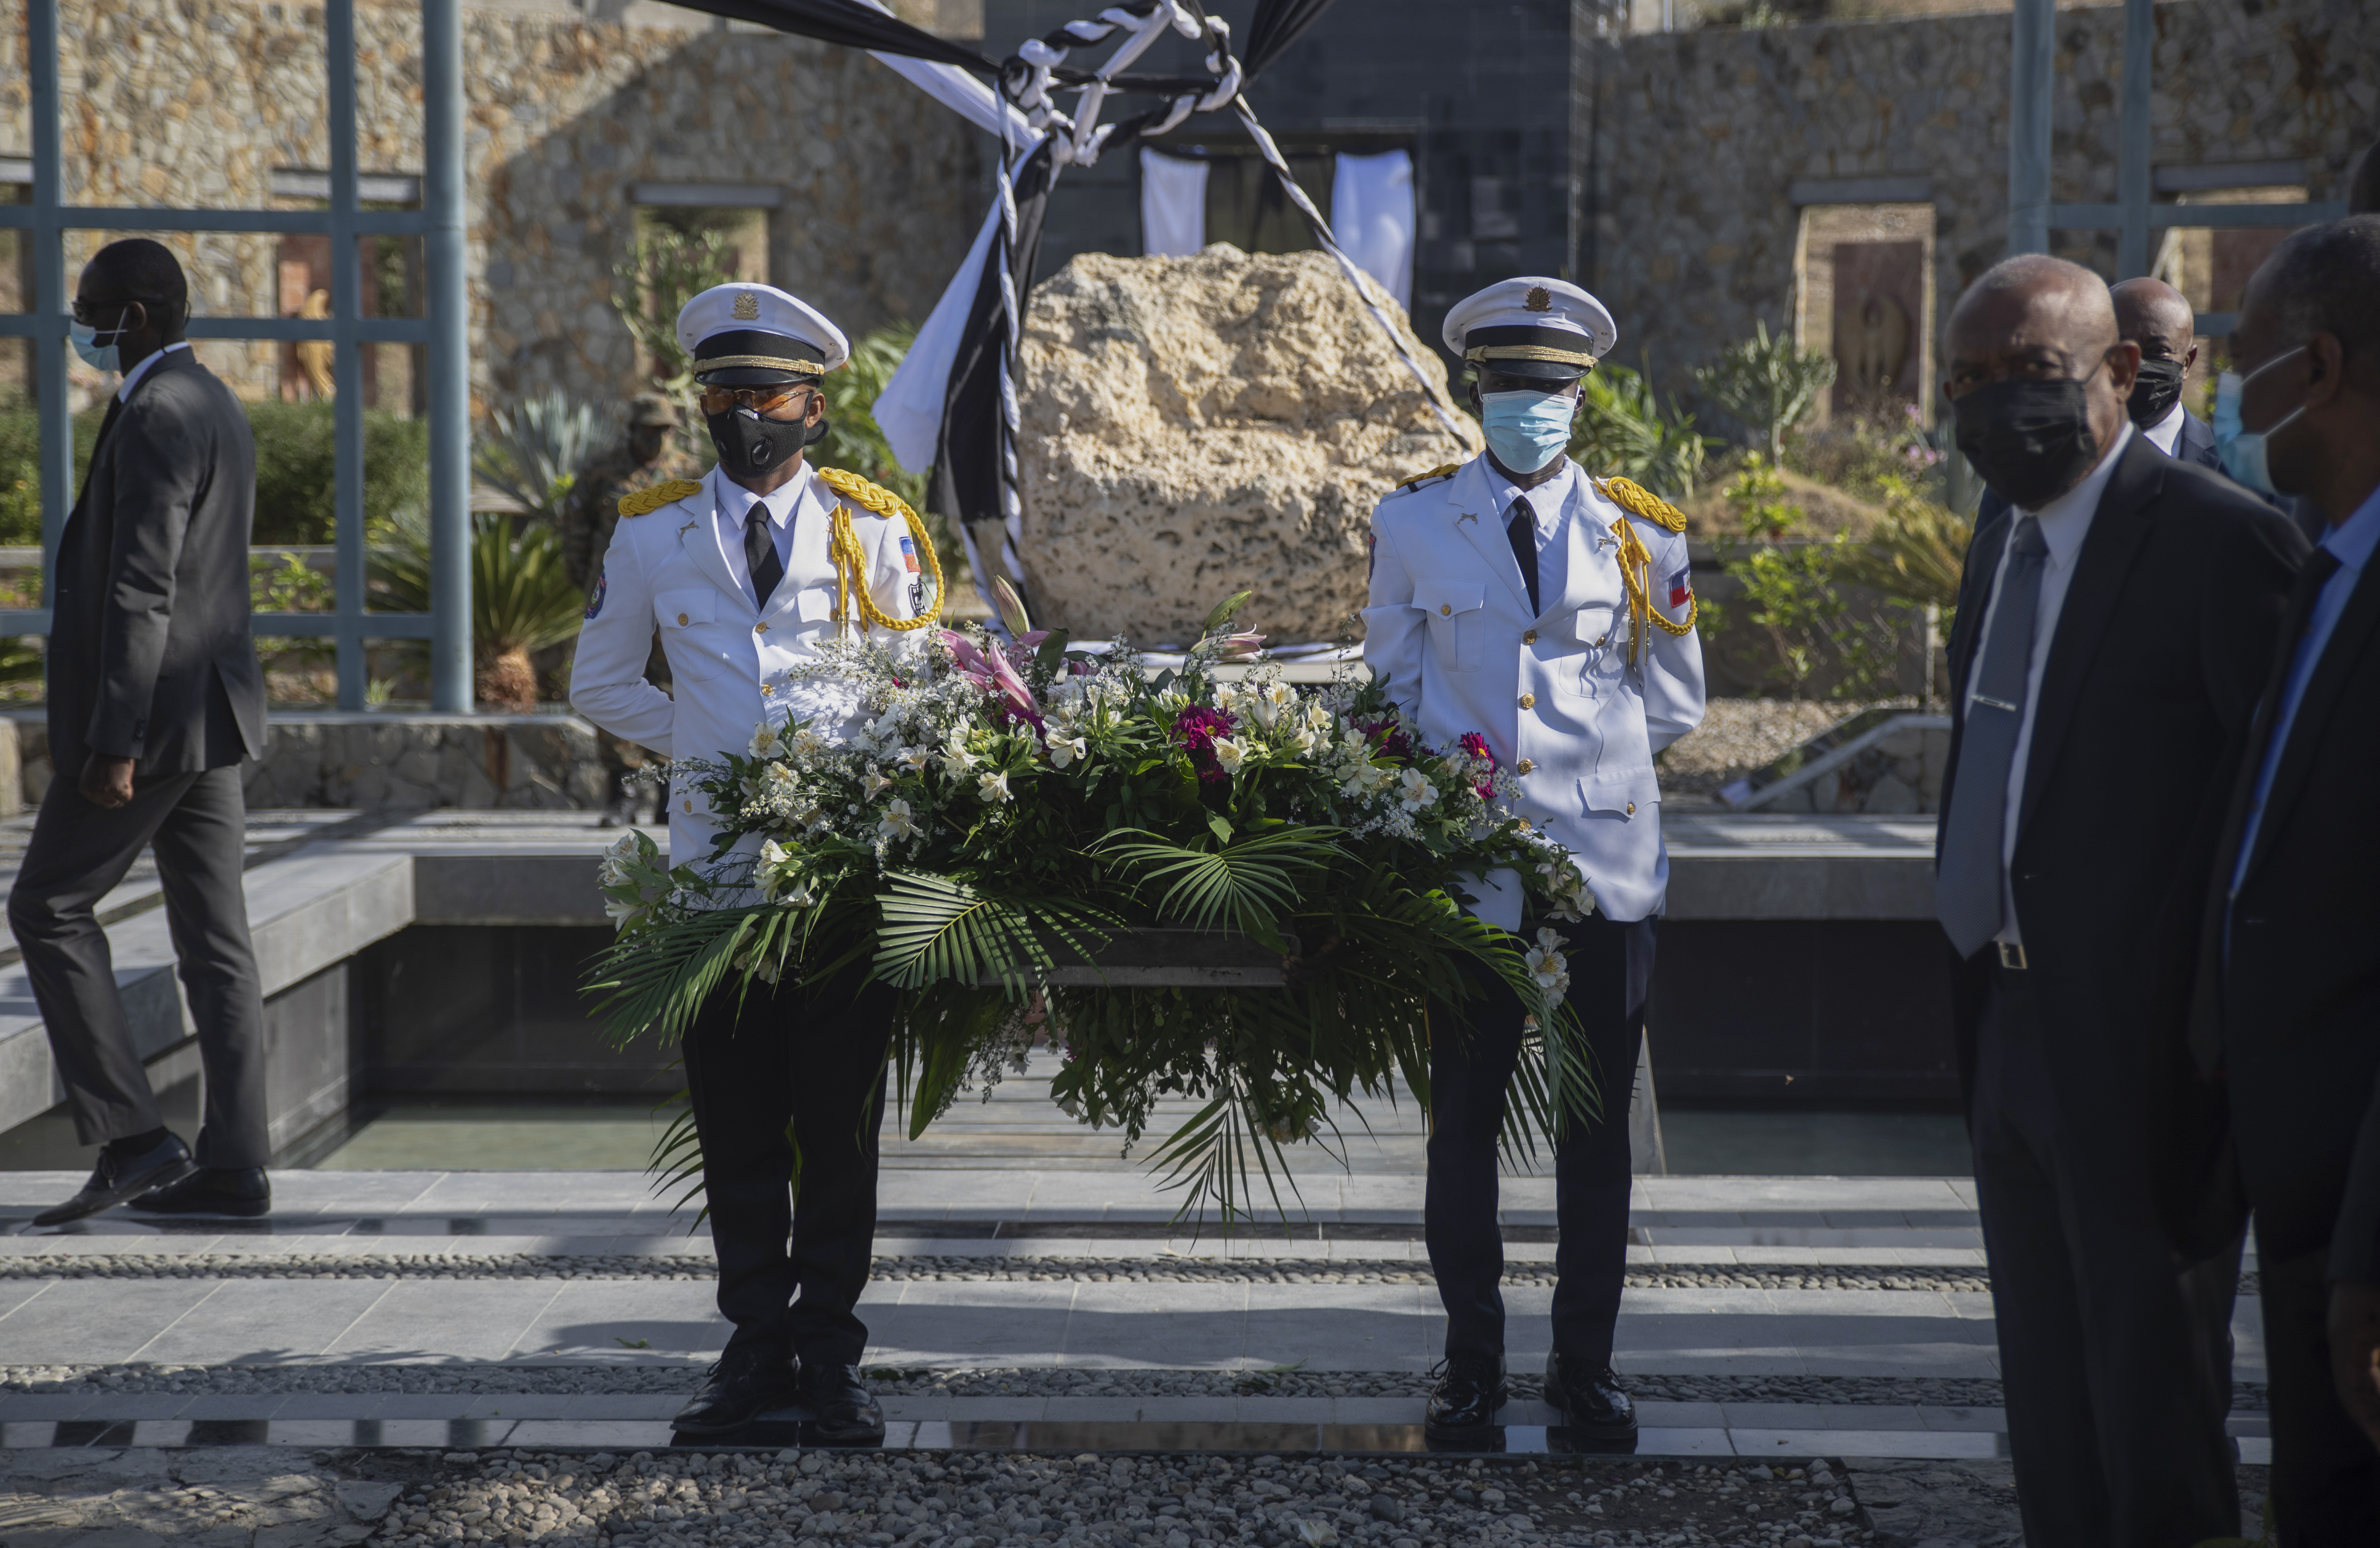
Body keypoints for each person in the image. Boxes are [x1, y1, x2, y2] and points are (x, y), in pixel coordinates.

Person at [1931, 253, 2305, 1545]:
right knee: (2048, 1403)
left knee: (2153, 1409)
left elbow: (2281, 818)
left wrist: (2216, 1043)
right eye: (1967, 381)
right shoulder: (2002, 543)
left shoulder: (2220, 541)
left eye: (2028, 375)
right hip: (2007, 1021)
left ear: (2119, 373)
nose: (1994, 408)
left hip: (2146, 1051)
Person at [570, 282, 934, 1444]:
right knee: (734, 1125)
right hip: (715, 883)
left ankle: (830, 1354)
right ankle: (750, 1351)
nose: (742, 415)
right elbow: (599, 681)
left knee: (837, 1125)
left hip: (839, 881)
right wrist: (710, 754)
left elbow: (917, 692)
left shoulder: (875, 525)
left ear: (812, 406)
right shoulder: (650, 527)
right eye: (722, 393)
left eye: (765, 394)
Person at [1364, 276, 1705, 1443]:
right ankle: (1470, 1362)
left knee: (1593, 1126)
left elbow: (1676, 701)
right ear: (1476, 390)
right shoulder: (1409, 521)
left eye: (1551, 387)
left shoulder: (1643, 532)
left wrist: (1582, 776)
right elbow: (1394, 682)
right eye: (1510, 385)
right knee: (1461, 1120)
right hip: (1471, 865)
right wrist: (1463, 779)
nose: (1530, 406)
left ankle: (1585, 1363)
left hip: (1602, 862)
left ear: (1581, 394)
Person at [10, 239, 270, 1226]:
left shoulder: (159, 412)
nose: (83, 328)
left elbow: (142, 585)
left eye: (93, 312)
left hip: (154, 720)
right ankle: (236, 1164)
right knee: (216, 943)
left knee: (46, 906)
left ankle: (133, 1136)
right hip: (208, 714)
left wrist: (112, 739)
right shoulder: (210, 400)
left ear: (142, 319)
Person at [2191, 214, 2380, 1536]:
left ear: (2313, 369)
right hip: (2297, 1192)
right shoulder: (2324, 565)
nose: (2223, 392)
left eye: (2240, 360)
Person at [560, 392, 696, 597]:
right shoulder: (601, 470)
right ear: (634, 428)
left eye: (665, 429)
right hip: (613, 585)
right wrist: (586, 578)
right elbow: (576, 528)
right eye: (651, 429)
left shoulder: (688, 471)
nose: (659, 437)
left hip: (671, 588)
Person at [2110, 277, 2220, 468]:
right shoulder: (2062, 459)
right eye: (2122, 349)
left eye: (2157, 351)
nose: (2136, 364)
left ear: (2187, 363)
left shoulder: (2239, 469)